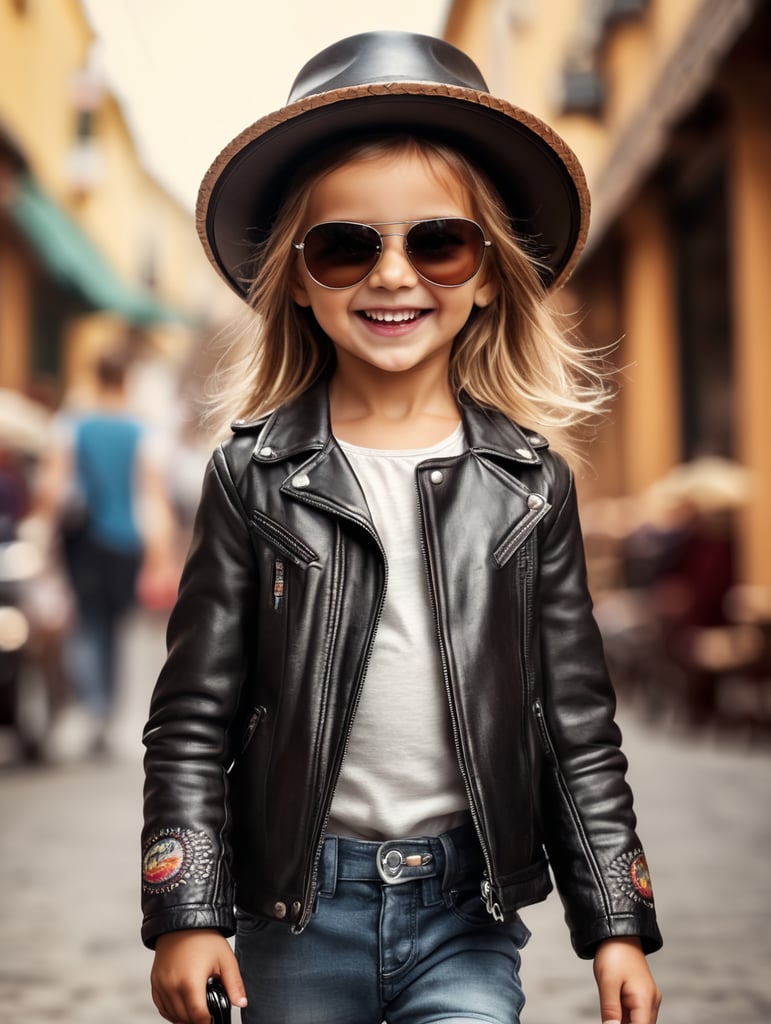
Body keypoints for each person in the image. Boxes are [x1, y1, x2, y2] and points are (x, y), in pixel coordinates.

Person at [142, 31, 662, 1024]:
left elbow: (575, 727)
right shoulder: (251, 478)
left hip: (465, 914)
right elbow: (193, 720)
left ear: (486, 272)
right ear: (296, 276)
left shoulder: (530, 485)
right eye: (346, 245)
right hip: (292, 917)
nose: (393, 274)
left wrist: (618, 923)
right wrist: (185, 906)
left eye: (437, 242)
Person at [40, 348, 174, 755]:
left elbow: (53, 485)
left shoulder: (72, 425)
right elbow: (152, 496)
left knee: (88, 621)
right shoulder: (142, 431)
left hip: (83, 538)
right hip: (127, 540)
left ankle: (93, 704)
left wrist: (42, 533)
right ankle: (107, 711)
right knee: (116, 627)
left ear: (95, 377)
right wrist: (161, 554)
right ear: (126, 380)